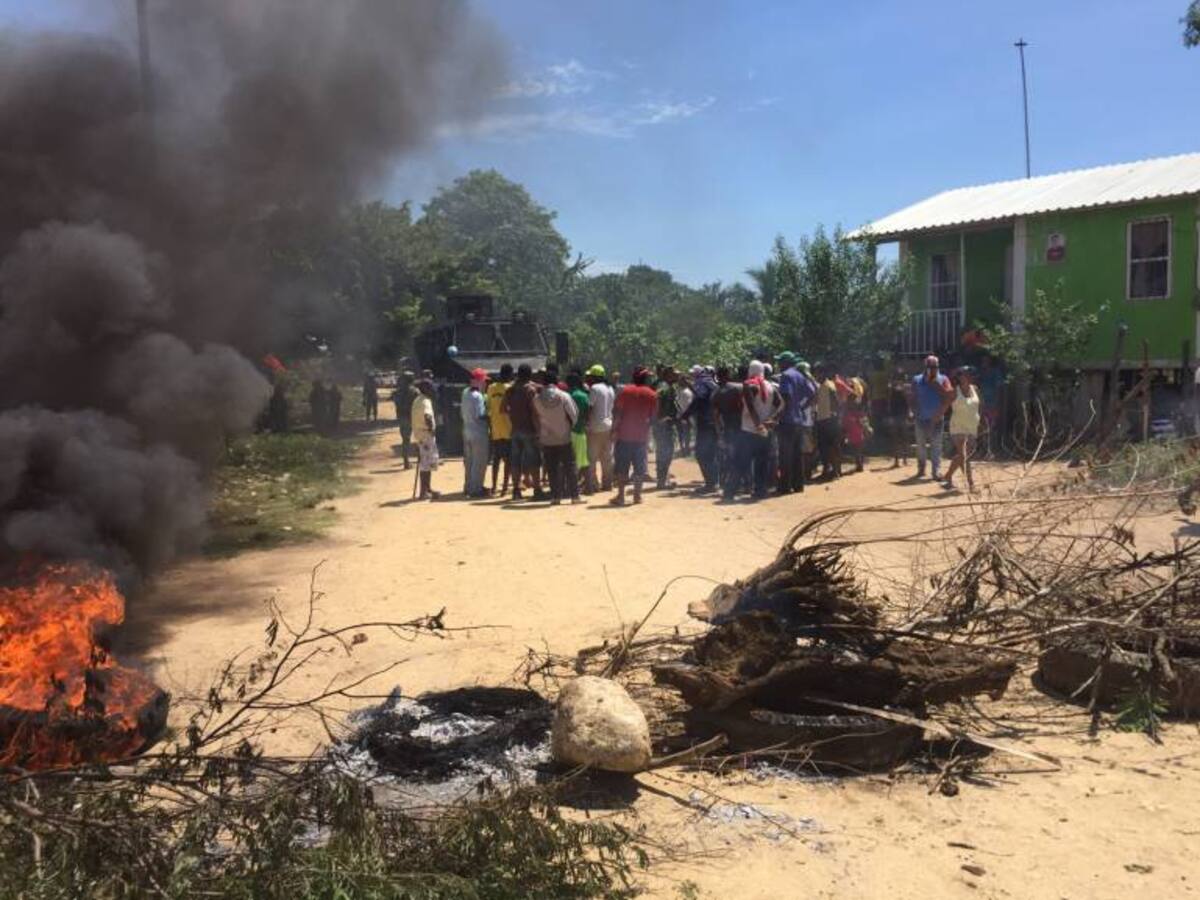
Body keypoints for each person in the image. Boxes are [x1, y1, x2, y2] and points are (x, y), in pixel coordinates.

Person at [610, 366, 658, 506]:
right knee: (639, 468)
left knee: (622, 467)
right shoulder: (652, 394)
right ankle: (637, 496)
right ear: (645, 378)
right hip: (641, 437)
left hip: (624, 436)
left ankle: (621, 496)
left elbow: (618, 413)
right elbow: (653, 417)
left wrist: (614, 430)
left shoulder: (625, 391)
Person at [735, 360, 781, 500]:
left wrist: (758, 424)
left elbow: (750, 406)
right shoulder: (770, 386)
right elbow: (781, 404)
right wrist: (772, 419)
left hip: (750, 429)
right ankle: (760, 490)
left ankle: (732, 490)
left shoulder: (749, 384)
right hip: (765, 430)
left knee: (742, 460)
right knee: (762, 462)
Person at [534, 368, 580, 505]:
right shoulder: (564, 396)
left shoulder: (537, 399)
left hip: (547, 438)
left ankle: (555, 497)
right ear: (556, 382)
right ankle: (574, 496)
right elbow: (574, 415)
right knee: (570, 466)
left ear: (543, 382)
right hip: (564, 436)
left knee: (551, 468)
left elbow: (538, 417)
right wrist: (568, 426)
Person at [910, 355, 954, 480]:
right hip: (920, 418)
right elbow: (912, 397)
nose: (932, 369)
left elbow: (949, 396)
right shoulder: (916, 380)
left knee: (936, 445)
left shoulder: (943, 379)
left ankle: (936, 471)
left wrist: (935, 384)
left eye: (935, 367)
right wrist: (913, 411)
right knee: (921, 445)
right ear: (925, 367)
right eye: (929, 366)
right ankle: (921, 469)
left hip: (937, 418)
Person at [776, 351, 814, 495]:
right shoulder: (800, 375)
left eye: (780, 362)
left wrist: (777, 415)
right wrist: (801, 407)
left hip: (787, 421)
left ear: (785, 363)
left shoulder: (786, 375)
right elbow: (812, 394)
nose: (778, 364)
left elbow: (786, 396)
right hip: (799, 421)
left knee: (785, 455)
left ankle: (784, 487)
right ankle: (799, 485)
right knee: (797, 454)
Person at [503, 363, 543, 502]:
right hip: (529, 430)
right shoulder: (530, 390)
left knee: (515, 462)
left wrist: (514, 414)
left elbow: (503, 409)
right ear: (529, 374)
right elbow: (534, 411)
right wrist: (538, 430)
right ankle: (537, 490)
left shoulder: (510, 390)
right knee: (534, 461)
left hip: (515, 430)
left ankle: (516, 491)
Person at [679, 365, 719, 493]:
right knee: (711, 454)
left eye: (692, 374)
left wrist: (684, 416)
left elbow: (698, 400)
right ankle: (714, 482)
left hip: (705, 423)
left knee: (702, 454)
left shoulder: (702, 382)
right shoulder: (710, 383)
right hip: (713, 423)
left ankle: (711, 484)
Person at [943, 367, 981, 492]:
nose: (967, 377)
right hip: (958, 426)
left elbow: (979, 406)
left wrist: (982, 421)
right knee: (965, 456)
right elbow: (945, 406)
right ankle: (971, 484)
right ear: (959, 377)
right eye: (964, 375)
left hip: (972, 426)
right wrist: (937, 417)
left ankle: (948, 475)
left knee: (962, 455)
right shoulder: (954, 392)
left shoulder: (975, 389)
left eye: (969, 374)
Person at [585, 365, 615, 493]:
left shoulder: (594, 388)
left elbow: (590, 407)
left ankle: (593, 485)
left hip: (595, 427)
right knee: (607, 457)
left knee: (592, 458)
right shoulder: (610, 389)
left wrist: (586, 422)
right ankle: (608, 484)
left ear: (594, 376)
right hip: (609, 425)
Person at [715, 365, 745, 494]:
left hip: (728, 428)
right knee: (742, 456)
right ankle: (745, 484)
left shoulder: (717, 392)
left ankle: (730, 484)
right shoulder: (738, 388)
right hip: (741, 427)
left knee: (730, 458)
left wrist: (719, 433)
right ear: (728, 374)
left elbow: (715, 415)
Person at [461, 368, 490, 498]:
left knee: (469, 461)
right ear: (477, 381)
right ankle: (476, 489)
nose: (484, 383)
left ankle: (468, 486)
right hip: (478, 431)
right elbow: (481, 415)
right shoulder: (477, 396)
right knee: (479, 462)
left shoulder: (465, 392)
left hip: (467, 430)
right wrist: (492, 416)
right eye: (483, 380)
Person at [486, 363, 514, 495]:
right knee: (508, 459)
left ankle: (493, 486)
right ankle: (504, 488)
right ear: (509, 374)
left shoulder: (491, 388)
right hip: (508, 428)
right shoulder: (510, 388)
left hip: (495, 428)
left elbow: (489, 407)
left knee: (496, 459)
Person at [411, 377, 440, 500]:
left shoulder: (417, 400)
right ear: (426, 389)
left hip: (419, 434)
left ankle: (427, 488)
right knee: (425, 464)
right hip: (426, 435)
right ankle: (423, 492)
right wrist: (431, 430)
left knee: (426, 462)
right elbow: (427, 416)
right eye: (430, 387)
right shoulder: (425, 401)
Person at [814, 364, 842, 479]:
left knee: (832, 446)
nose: (816, 375)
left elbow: (836, 402)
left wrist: (836, 416)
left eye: (818, 373)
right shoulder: (819, 386)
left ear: (823, 373)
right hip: (821, 420)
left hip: (830, 420)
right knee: (823, 447)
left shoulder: (829, 386)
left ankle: (835, 471)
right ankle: (826, 471)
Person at [653, 367, 679, 489]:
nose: (677, 376)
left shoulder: (670, 386)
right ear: (668, 375)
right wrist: (660, 418)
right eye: (675, 374)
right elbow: (656, 398)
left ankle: (663, 479)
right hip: (663, 425)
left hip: (668, 424)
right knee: (665, 451)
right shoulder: (663, 386)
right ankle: (661, 480)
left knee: (667, 451)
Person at [567, 371, 591, 496]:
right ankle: (589, 487)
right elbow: (588, 413)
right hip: (581, 431)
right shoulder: (584, 395)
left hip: (568, 432)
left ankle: (570, 488)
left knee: (569, 462)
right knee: (584, 461)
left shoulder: (567, 395)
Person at [976, 354, 1004, 457]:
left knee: (992, 427)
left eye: (986, 361)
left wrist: (998, 402)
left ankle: (992, 450)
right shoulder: (981, 373)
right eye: (983, 361)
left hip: (992, 403)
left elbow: (999, 388)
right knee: (983, 427)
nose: (984, 363)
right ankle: (984, 450)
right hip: (982, 403)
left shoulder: (995, 372)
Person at [887, 363, 911, 468]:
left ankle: (902, 459)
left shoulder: (905, 387)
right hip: (897, 413)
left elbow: (908, 399)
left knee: (900, 437)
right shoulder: (892, 386)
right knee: (899, 437)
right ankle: (900, 459)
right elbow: (889, 399)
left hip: (901, 413)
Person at [842, 380, 868, 473]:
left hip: (856, 430)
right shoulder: (854, 408)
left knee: (857, 449)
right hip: (855, 430)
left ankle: (859, 464)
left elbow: (861, 419)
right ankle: (859, 464)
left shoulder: (851, 409)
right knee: (857, 448)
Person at [392, 371, 417, 469]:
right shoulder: (415, 391)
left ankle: (406, 461)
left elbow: (396, 402)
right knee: (419, 438)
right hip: (413, 417)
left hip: (402, 417)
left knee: (405, 440)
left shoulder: (398, 392)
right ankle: (420, 459)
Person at [675, 372, 695, 456]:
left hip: (684, 415)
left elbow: (689, 404)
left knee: (685, 432)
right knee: (684, 432)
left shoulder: (686, 391)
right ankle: (684, 449)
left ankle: (685, 449)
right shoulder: (681, 391)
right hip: (683, 415)